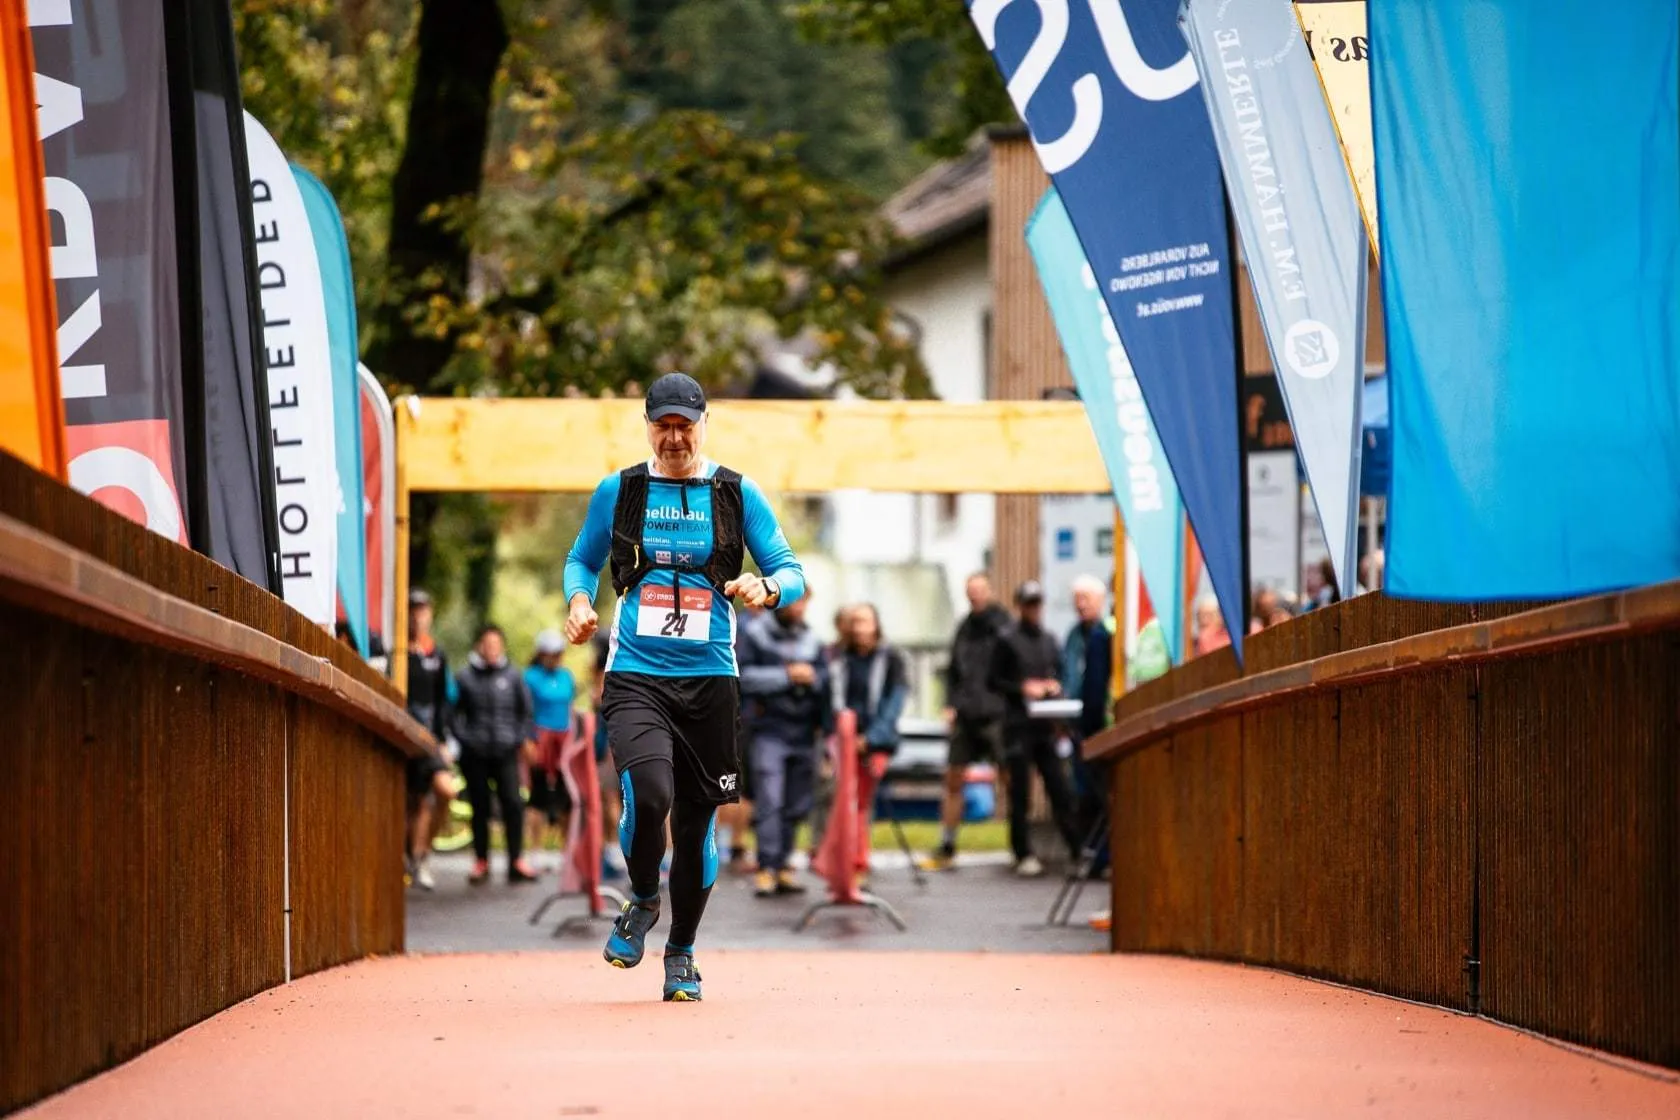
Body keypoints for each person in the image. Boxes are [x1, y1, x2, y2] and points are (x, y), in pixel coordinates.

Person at [562, 371, 807, 1002]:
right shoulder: (620, 491)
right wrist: (578, 601)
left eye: (685, 425)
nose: (674, 437)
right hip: (637, 675)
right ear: (648, 426)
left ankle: (682, 953)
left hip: (711, 681)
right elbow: (581, 559)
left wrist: (768, 587)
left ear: (704, 425)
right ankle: (643, 897)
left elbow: (790, 569)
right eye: (663, 425)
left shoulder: (735, 492)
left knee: (697, 829)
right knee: (648, 791)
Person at [737, 590, 828, 897]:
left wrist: (812, 679)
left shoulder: (812, 639)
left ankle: (784, 865)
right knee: (770, 800)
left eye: (803, 601)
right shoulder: (754, 634)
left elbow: (826, 680)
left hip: (804, 731)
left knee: (797, 803)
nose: (798, 607)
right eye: (792, 601)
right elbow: (742, 677)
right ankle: (766, 867)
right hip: (768, 730)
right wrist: (788, 676)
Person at [990, 580, 1081, 878]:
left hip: (1046, 725)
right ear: (1020, 606)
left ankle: (1077, 849)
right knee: (1020, 793)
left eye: (1037, 603)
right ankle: (1023, 851)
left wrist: (1053, 688)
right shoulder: (1006, 639)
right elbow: (994, 681)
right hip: (1018, 725)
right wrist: (1022, 688)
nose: (1034, 609)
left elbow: (1058, 672)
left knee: (1060, 789)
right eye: (1029, 604)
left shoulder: (1049, 639)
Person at [922, 573, 1011, 872]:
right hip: (965, 714)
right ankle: (947, 843)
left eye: (979, 591)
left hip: (996, 714)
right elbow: (953, 671)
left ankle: (1019, 842)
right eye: (970, 591)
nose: (975, 596)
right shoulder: (964, 627)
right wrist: (949, 704)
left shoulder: (1003, 625)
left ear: (990, 591)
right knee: (953, 778)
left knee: (1009, 776)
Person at [819, 602, 907, 892]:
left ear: (876, 624)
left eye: (865, 621)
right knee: (844, 804)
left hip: (875, 743)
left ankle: (856, 865)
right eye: (854, 622)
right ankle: (841, 865)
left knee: (859, 805)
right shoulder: (838, 658)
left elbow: (893, 703)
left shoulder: (891, 658)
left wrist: (870, 739)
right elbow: (829, 701)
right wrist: (837, 739)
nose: (859, 628)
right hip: (842, 741)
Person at [453, 623, 538, 886]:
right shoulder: (465, 677)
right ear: (480, 645)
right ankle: (481, 861)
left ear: (501, 646)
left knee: (513, 803)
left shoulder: (513, 676)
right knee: (480, 807)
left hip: (506, 751)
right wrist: (466, 740)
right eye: (487, 645)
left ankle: (516, 861)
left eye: (495, 645)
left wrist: (518, 738)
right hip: (475, 754)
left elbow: (525, 712)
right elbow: (453, 714)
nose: (491, 649)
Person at [1062, 574, 1114, 877]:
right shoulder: (1072, 637)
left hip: (1097, 724)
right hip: (1078, 724)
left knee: (1102, 792)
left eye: (1087, 599)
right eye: (1077, 599)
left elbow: (1096, 686)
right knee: (1083, 794)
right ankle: (1091, 855)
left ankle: (1103, 855)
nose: (1081, 605)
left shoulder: (1103, 634)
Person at [404, 589, 456, 892]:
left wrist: (445, 740)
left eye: (422, 609)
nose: (417, 615)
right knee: (411, 802)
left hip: (431, 739)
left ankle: (423, 854)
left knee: (444, 791)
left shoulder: (435, 653)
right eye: (413, 609)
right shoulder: (398, 650)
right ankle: (413, 859)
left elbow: (441, 701)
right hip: (403, 734)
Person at [523, 629, 577, 867]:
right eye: (551, 653)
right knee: (538, 797)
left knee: (567, 798)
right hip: (540, 739)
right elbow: (524, 712)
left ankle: (567, 851)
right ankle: (535, 851)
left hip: (564, 741)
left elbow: (571, 707)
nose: (555, 658)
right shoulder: (531, 677)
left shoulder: (567, 676)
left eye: (558, 653)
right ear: (541, 654)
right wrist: (527, 742)